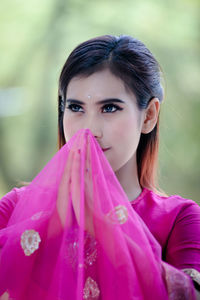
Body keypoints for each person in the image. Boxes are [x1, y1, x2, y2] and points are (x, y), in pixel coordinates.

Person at [0, 35, 200, 299]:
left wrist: (106, 225)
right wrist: (50, 224)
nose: (89, 130)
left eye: (109, 108)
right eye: (75, 107)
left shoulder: (180, 219)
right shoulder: (16, 208)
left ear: (149, 115)